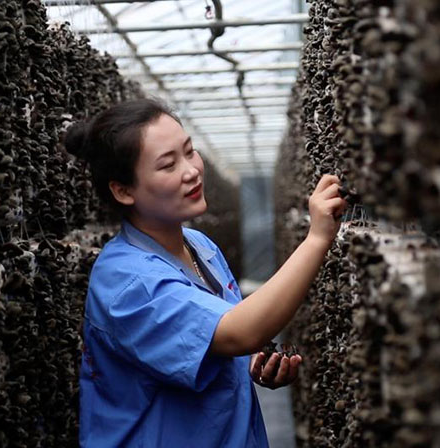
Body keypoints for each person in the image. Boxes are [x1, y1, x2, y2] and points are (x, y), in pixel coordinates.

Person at [64, 98, 347, 447]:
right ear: (123, 190)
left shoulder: (200, 246)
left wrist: (252, 360)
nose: (192, 170)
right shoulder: (125, 281)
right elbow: (241, 331)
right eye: (168, 165)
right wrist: (317, 238)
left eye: (189, 151)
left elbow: (222, 333)